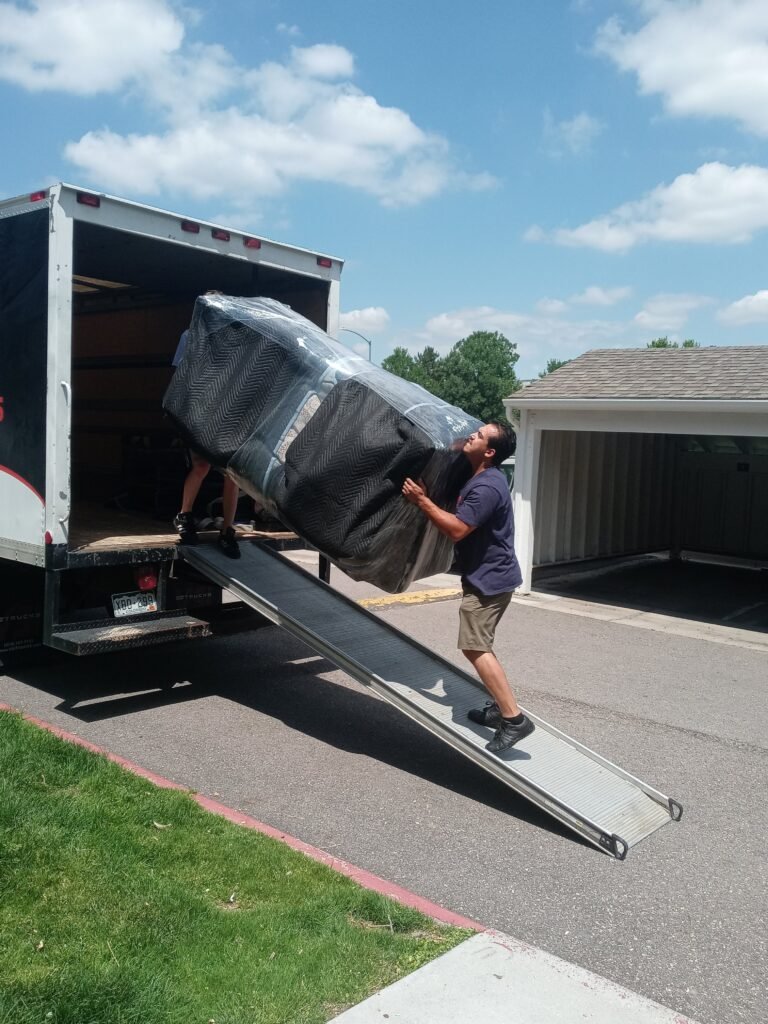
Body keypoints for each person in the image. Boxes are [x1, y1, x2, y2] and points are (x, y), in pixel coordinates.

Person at [402, 421, 534, 753]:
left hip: (490, 581)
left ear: (490, 452)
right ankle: (497, 707)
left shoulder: (487, 487)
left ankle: (514, 719)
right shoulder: (480, 474)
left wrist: (421, 500)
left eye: (480, 435)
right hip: (490, 575)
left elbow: (459, 529)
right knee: (480, 643)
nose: (473, 434)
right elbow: (456, 446)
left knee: (475, 647)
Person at [171, 298, 240, 559]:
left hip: (227, 413)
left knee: (233, 474)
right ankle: (184, 515)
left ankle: (228, 530)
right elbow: (181, 377)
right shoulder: (190, 337)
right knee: (201, 466)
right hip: (200, 413)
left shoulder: (234, 340)